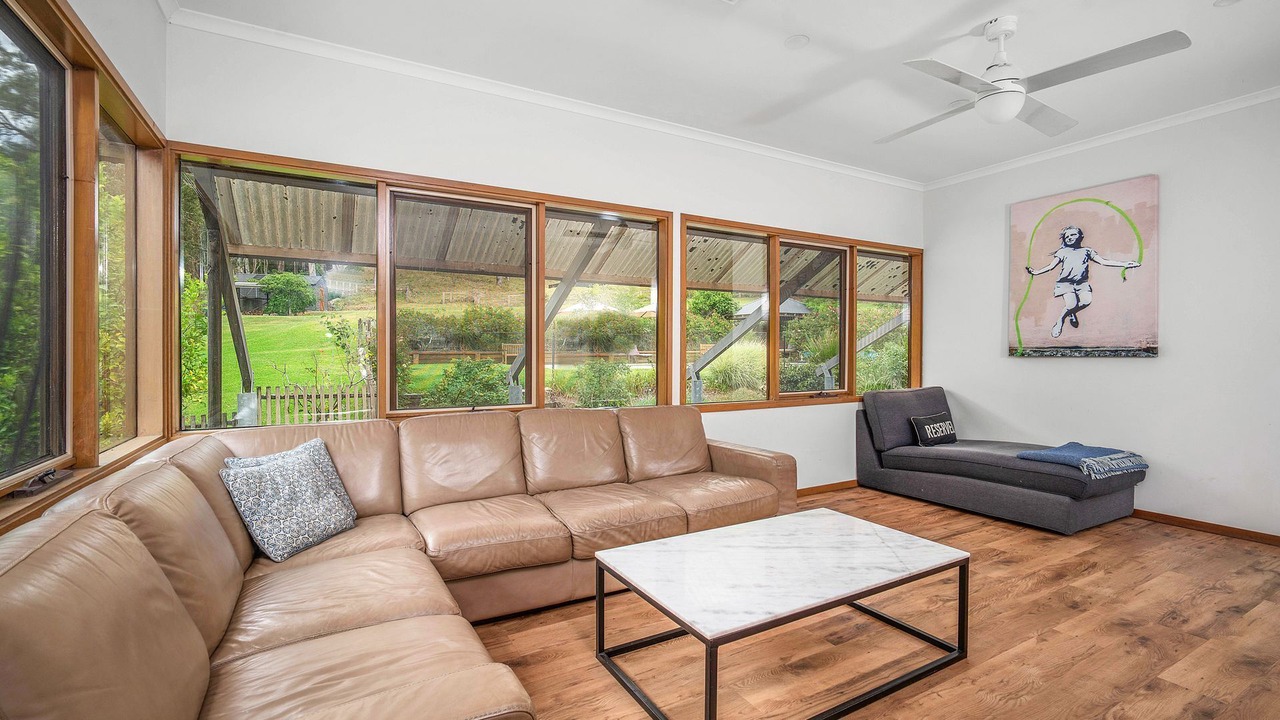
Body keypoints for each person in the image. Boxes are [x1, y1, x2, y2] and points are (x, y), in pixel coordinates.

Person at [1026, 225, 1140, 338]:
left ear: (1081, 236)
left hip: (1082, 283)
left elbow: (1103, 262)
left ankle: (1071, 313)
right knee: (1071, 304)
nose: (1069, 238)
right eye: (1067, 237)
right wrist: (1036, 272)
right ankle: (1060, 320)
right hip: (1065, 283)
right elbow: (1051, 266)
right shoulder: (1062, 252)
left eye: (1073, 235)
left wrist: (1125, 264)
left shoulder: (1087, 251)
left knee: (1086, 301)